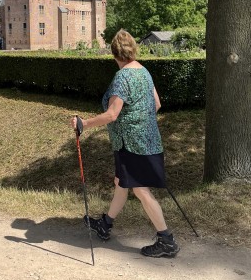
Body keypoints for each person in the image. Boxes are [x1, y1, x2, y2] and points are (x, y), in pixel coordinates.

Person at [70, 29, 179, 258]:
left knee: (140, 190)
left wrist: (84, 123)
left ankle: (166, 239)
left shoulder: (123, 77)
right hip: (148, 140)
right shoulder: (144, 72)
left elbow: (112, 114)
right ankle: (106, 224)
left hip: (131, 143)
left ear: (114, 54)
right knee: (122, 182)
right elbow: (156, 104)